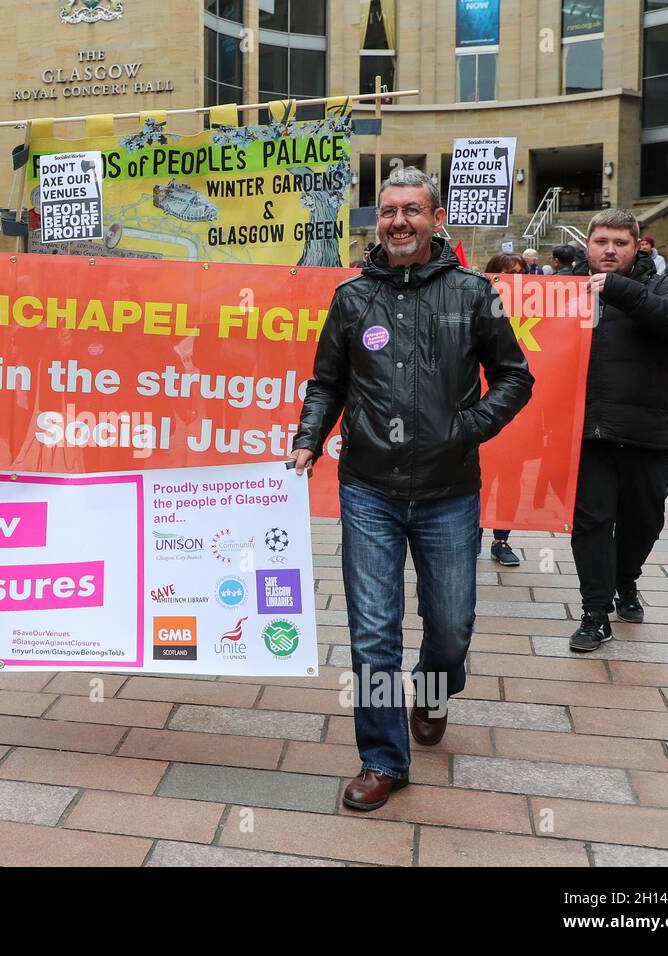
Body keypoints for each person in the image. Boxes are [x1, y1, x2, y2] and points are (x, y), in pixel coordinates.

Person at [292, 167, 533, 811]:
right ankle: (382, 758)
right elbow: (326, 382)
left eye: (413, 211)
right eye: (389, 211)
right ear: (378, 221)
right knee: (373, 632)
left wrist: (469, 428)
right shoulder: (351, 298)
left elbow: (515, 376)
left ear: (434, 219)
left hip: (449, 489)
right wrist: (309, 438)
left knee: (451, 627)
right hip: (368, 487)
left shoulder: (473, 294)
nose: (399, 221)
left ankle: (433, 691)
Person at [568, 210, 668, 652]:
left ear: (636, 246)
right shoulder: (564, 288)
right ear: (587, 244)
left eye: (620, 243)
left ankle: (627, 578)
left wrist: (619, 290)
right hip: (588, 434)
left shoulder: (659, 284)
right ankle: (595, 612)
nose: (609, 250)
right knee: (592, 523)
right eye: (601, 241)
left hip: (645, 431)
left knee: (645, 520)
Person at [480, 253, 529, 568]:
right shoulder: (476, 302)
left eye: (521, 272)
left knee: (511, 481)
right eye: (509, 273)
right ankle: (472, 534)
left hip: (517, 417)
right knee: (480, 480)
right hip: (479, 409)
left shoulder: (537, 307)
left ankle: (502, 540)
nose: (517, 277)